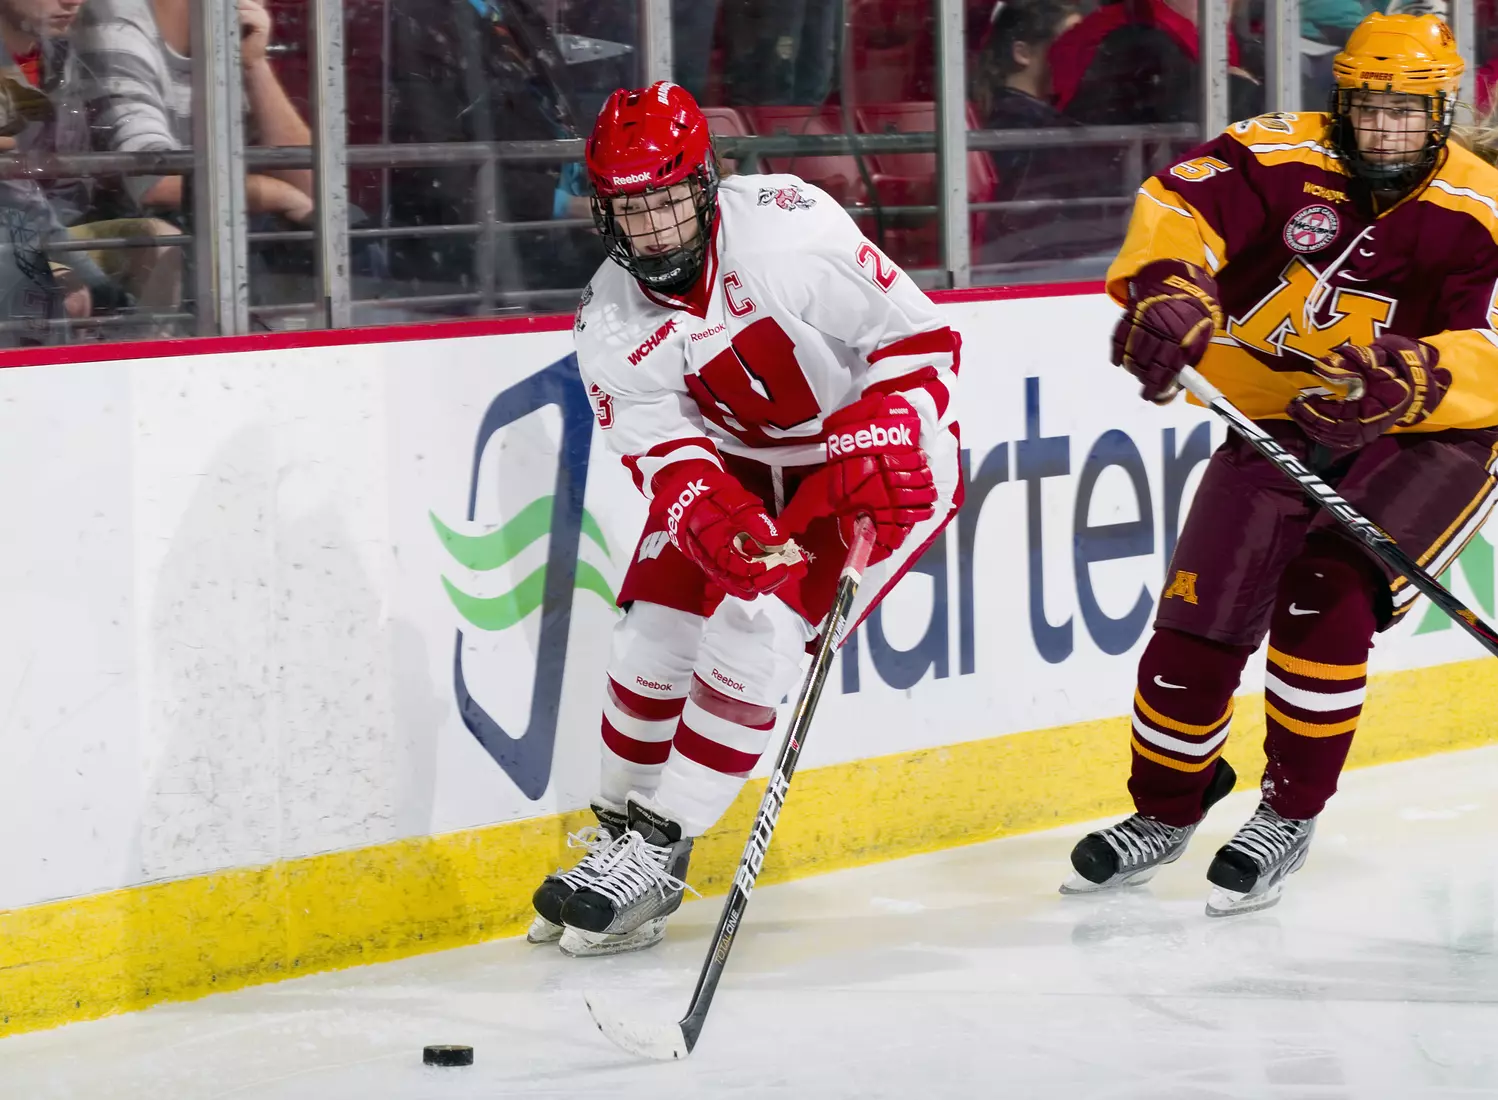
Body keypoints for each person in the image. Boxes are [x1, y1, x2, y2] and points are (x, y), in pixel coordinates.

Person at [1062, 12, 1498, 916]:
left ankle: (1287, 813)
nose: (1382, 129)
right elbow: (1179, 210)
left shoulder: (1481, 208)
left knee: (1326, 597)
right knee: (1193, 627)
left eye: (1406, 113)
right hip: (1285, 423)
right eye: (1368, 108)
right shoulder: (1276, 153)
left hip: (1437, 436)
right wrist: (1169, 287)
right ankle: (1167, 811)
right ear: (1340, 98)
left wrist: (1426, 375)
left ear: (1442, 112)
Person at [529, 81, 963, 957]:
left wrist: (886, 425)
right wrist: (709, 511)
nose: (650, 231)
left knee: (756, 628)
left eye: (664, 202)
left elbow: (921, 341)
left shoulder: (788, 230)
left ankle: (660, 852)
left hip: (865, 463)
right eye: (628, 210)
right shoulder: (607, 317)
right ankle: (617, 832)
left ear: (704, 182)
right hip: (738, 468)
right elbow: (665, 454)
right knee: (651, 635)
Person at [75, 0, 314, 226]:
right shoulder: (118, 21)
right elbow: (152, 181)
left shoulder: (232, 36)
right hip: (153, 236)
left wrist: (255, 65)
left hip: (230, 226)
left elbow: (313, 187)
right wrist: (281, 195)